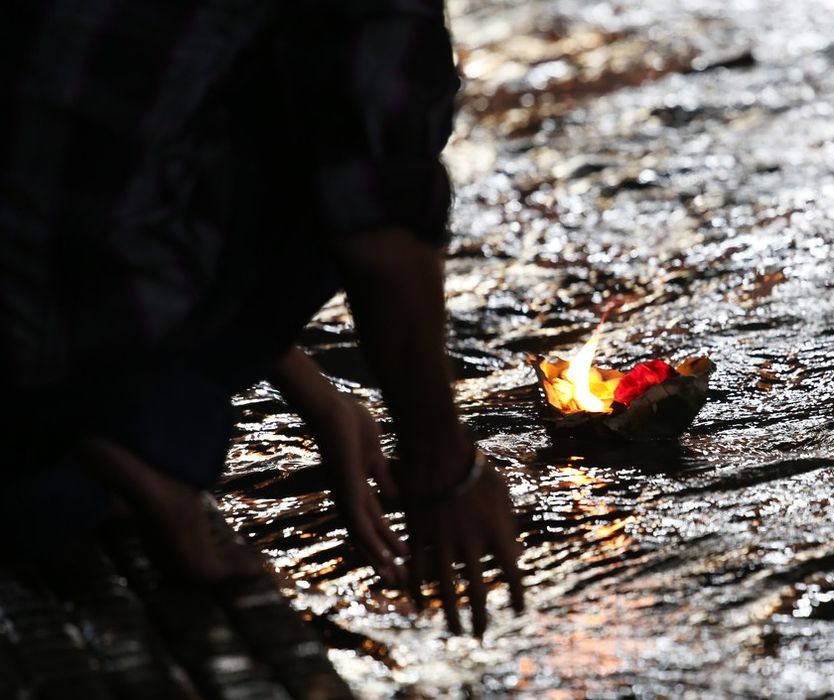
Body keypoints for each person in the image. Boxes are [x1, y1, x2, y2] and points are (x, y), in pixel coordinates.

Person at [0, 0, 523, 636]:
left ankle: (106, 428)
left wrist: (321, 399)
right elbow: (380, 221)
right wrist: (444, 465)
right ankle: (129, 444)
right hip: (37, 369)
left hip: (32, 299)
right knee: (393, 109)